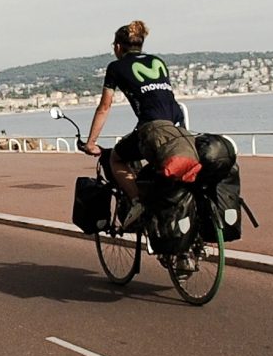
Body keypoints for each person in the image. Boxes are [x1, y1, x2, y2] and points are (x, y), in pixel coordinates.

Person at [81, 20, 200, 268]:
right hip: (178, 128)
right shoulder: (158, 61)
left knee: (116, 158)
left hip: (152, 130)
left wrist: (91, 142)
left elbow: (105, 106)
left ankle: (138, 201)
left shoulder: (116, 67)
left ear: (117, 46)